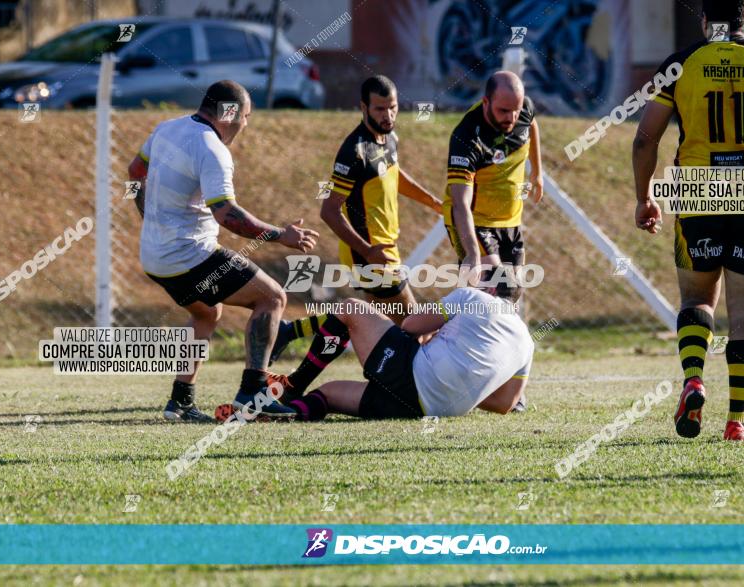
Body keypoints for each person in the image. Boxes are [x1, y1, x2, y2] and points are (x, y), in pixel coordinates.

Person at [632, 0, 744, 440]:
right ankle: (738, 420)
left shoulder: (681, 63)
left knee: (696, 300)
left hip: (696, 191)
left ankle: (694, 378)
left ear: (703, 21)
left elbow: (644, 139)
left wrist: (644, 198)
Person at [128, 80, 318, 422]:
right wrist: (281, 235)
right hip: (189, 256)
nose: (245, 124)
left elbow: (134, 172)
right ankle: (253, 391)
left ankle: (180, 402)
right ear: (230, 113)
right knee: (273, 298)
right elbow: (227, 215)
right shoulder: (212, 149)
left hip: (155, 257)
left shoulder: (165, 129)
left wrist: (150, 218)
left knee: (207, 314)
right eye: (245, 116)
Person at [215, 287, 533, 421]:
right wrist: (460, 383)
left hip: (412, 375)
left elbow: (410, 325)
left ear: (490, 290)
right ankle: (290, 413)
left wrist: (434, 354)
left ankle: (294, 384)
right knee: (328, 394)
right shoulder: (527, 342)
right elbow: (504, 404)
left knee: (351, 309)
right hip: (430, 409)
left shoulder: (473, 296)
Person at [318, 75, 442, 324]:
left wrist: (435, 203)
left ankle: (291, 333)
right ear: (364, 107)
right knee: (415, 325)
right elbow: (329, 211)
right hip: (368, 253)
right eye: (380, 109)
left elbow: (394, 174)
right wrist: (367, 251)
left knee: (383, 332)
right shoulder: (354, 151)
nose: (388, 116)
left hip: (383, 249)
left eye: (393, 107)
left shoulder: (389, 138)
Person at [443, 70, 543, 297]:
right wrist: (472, 253)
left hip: (511, 221)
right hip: (475, 221)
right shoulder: (466, 137)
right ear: (485, 101)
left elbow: (532, 123)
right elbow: (460, 203)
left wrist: (537, 173)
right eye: (504, 111)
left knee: (512, 295)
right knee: (493, 290)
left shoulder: (522, 109)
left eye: (516, 110)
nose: (512, 117)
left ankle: (450, 328)